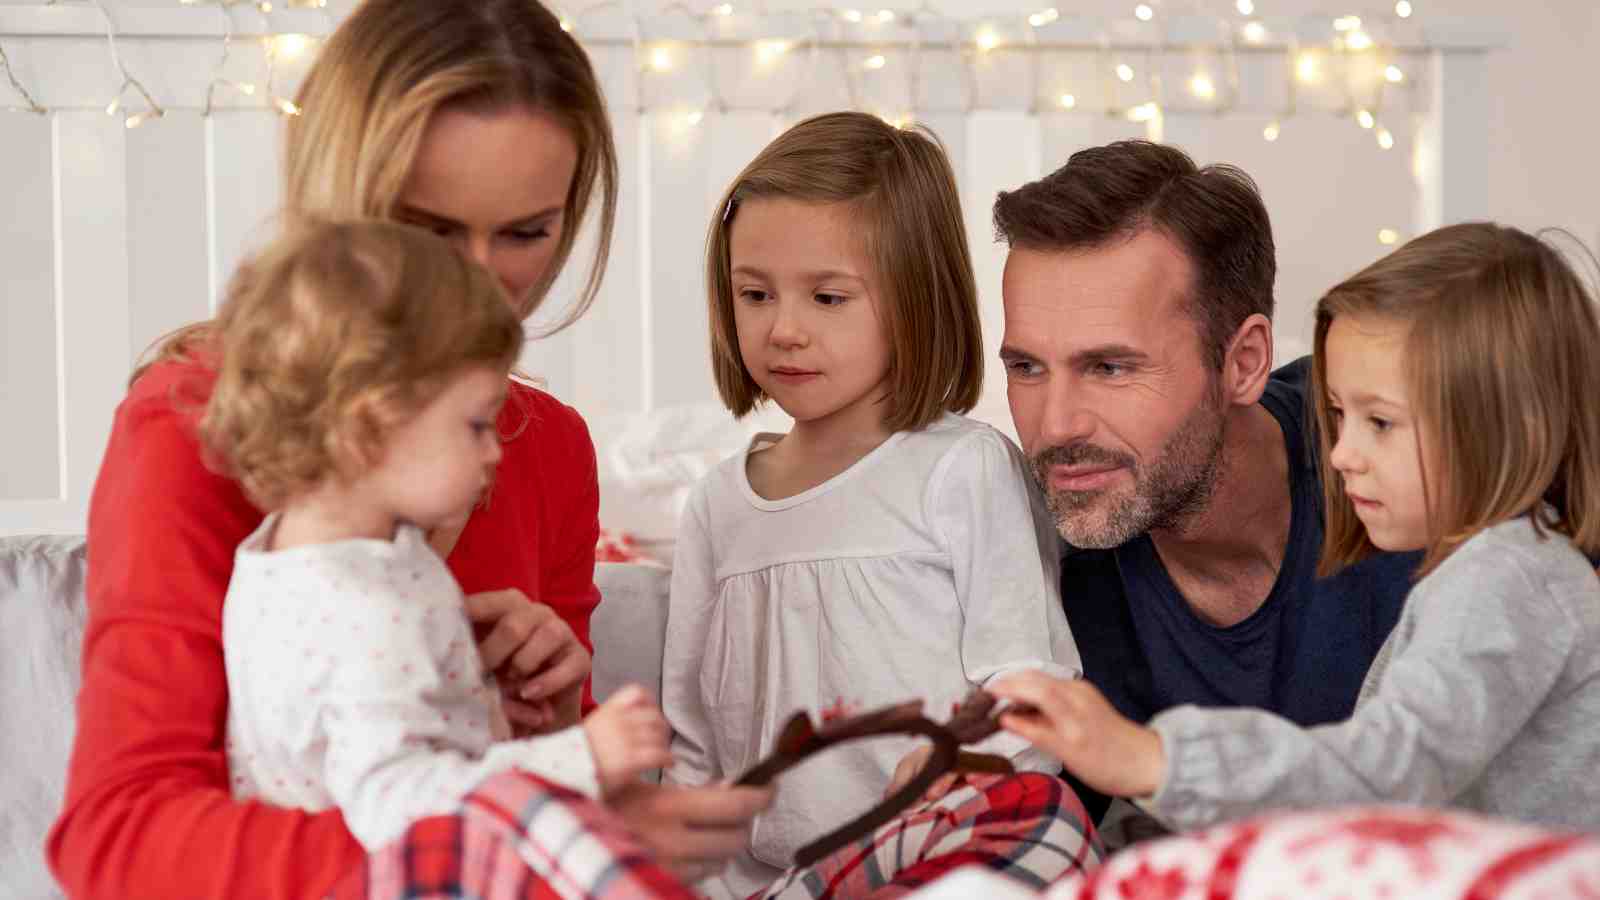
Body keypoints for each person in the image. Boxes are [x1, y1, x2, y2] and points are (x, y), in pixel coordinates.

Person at [47, 3, 769, 898]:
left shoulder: (546, 447)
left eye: (525, 232)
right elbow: (120, 838)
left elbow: (517, 794)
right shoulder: (193, 422)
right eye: (425, 231)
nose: (475, 278)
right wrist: (510, 842)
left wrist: (532, 722)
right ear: (335, 201)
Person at [991, 222, 1600, 831]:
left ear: (1505, 425)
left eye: (1381, 423)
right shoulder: (1485, 572)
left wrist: (1158, 760)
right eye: (1338, 414)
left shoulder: (1508, 580)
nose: (1341, 454)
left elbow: (1392, 770)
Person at [663, 111, 1095, 899]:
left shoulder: (961, 469)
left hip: (932, 851)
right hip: (767, 884)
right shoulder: (715, 506)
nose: (783, 329)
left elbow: (1028, 676)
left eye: (828, 298)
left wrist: (960, 772)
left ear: (913, 296)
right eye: (754, 294)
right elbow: (693, 740)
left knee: (1053, 819)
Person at [987, 141, 1419, 831]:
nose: (1057, 425)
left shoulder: (1411, 466)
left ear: (1243, 362)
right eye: (1028, 368)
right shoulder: (1041, 562)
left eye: (1109, 368)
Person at [205, 219, 672, 850]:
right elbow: (395, 804)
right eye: (477, 424)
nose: (496, 450)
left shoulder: (286, 558)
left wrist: (463, 680)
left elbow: (354, 718)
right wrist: (577, 758)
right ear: (373, 428)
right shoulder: (368, 606)